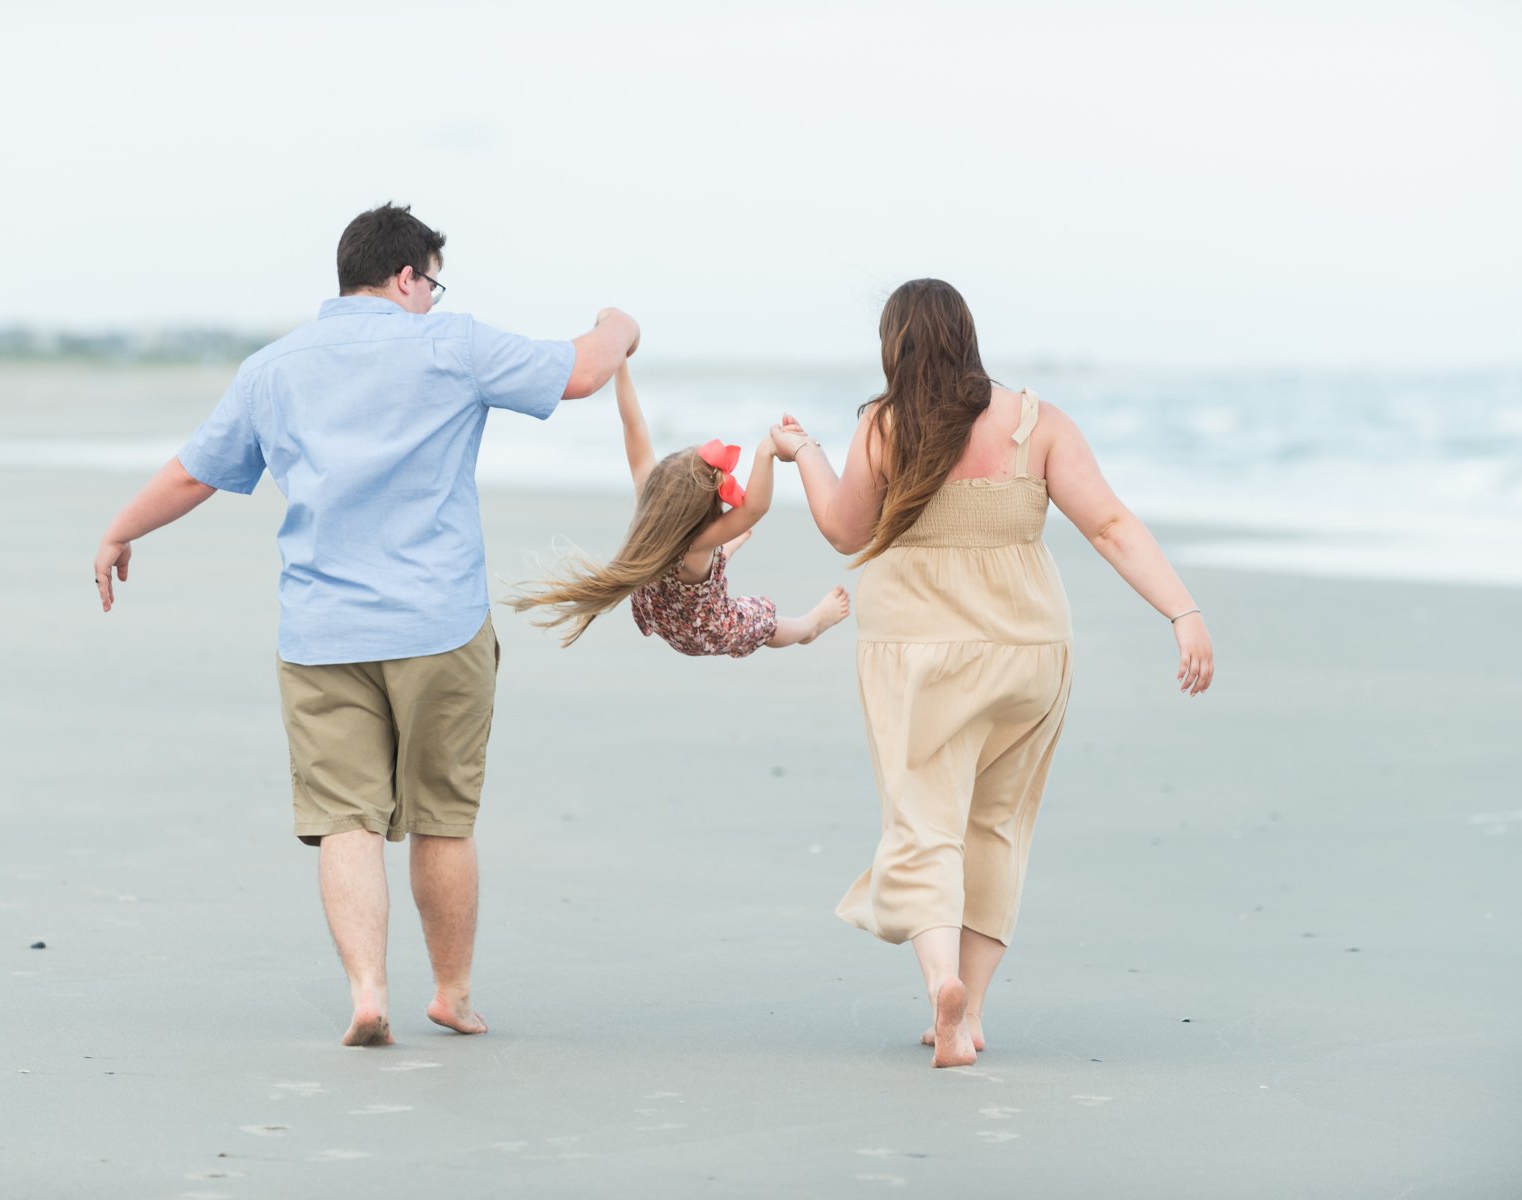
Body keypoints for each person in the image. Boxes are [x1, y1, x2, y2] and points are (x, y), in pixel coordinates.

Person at [90, 202, 641, 1047]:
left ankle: (367, 992)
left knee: (345, 821)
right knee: (443, 819)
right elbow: (578, 373)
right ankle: (451, 994)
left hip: (322, 633)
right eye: (431, 281)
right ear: (406, 276)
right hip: (439, 625)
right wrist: (619, 324)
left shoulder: (274, 367)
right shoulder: (449, 343)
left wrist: (121, 528)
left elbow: (195, 473)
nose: (432, 296)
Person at [771, 278, 1214, 1068]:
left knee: (924, 823)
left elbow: (843, 529)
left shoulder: (885, 424)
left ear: (894, 346)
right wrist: (1182, 612)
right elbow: (1111, 526)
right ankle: (970, 1011)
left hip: (920, 653)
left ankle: (941, 982)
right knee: (997, 825)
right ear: (969, 337)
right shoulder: (1036, 422)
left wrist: (802, 451)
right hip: (1030, 653)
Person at [510, 360, 848, 653]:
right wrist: (767, 450)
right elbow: (755, 508)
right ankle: (811, 626)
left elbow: (634, 426)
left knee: (708, 557)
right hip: (700, 629)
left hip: (660, 608)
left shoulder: (650, 502)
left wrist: (620, 363)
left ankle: (729, 550)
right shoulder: (698, 542)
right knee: (764, 623)